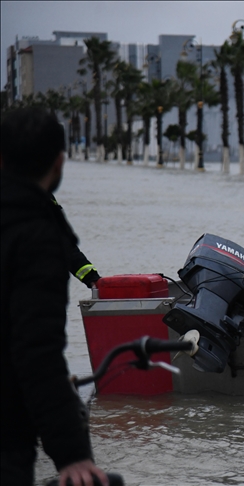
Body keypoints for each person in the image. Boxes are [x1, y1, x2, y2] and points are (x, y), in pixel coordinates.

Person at [1, 107, 109, 486]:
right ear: (59, 163)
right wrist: (72, 454)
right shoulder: (35, 228)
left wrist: (91, 276)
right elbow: (37, 354)